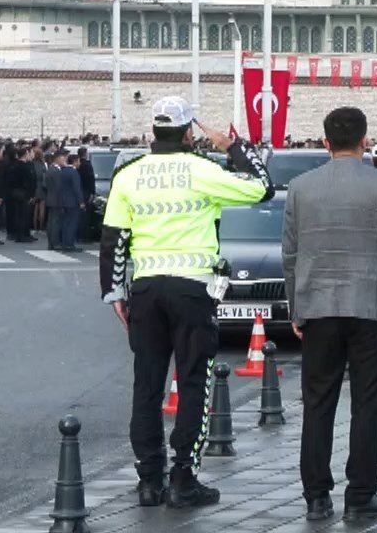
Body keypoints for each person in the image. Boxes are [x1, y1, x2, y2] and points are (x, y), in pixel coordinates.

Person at [99, 96, 272, 509]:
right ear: (189, 132)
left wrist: (115, 292)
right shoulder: (202, 169)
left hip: (146, 289)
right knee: (194, 380)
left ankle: (148, 480)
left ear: (152, 132)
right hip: (193, 288)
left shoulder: (129, 174)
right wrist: (231, 145)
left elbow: (113, 241)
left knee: (147, 385)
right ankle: (183, 478)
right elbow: (261, 188)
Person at [284, 107, 377, 522]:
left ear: (325, 143)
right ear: (364, 141)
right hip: (371, 307)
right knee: (368, 405)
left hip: (318, 307)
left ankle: (317, 496)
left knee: (318, 403)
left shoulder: (301, 188)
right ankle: (360, 495)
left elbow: (290, 253)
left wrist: (296, 307)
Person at [45, 150, 83, 252]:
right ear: (57, 158)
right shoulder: (55, 170)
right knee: (55, 223)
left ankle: (57, 242)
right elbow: (58, 186)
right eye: (63, 158)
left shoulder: (58, 170)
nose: (65, 160)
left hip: (56, 199)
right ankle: (55, 243)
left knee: (57, 222)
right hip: (56, 199)